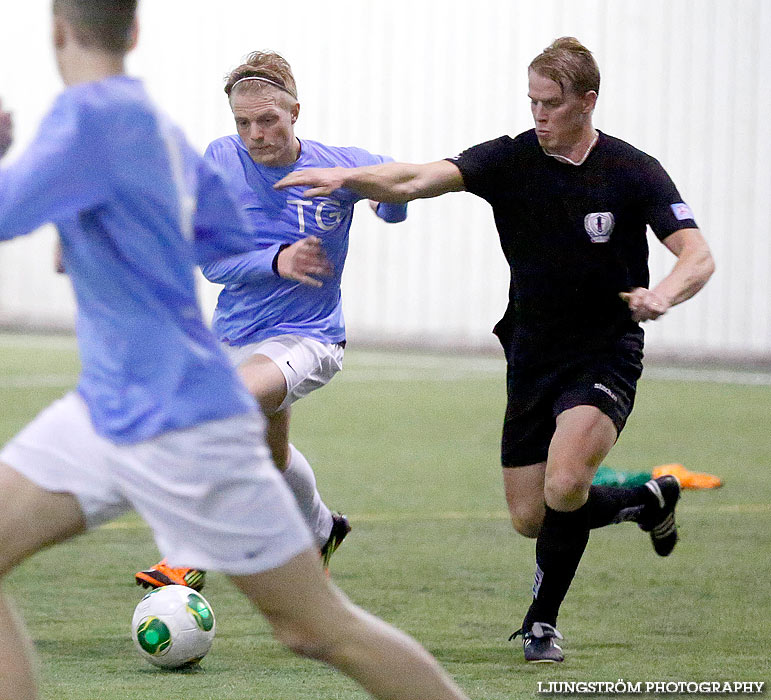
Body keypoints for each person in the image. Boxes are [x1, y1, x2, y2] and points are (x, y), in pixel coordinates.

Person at [0, 3, 473, 699]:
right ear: (133, 33)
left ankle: (208, 549)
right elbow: (214, 246)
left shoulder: (81, 123)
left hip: (184, 416)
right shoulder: (161, 132)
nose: (254, 133)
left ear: (55, 31)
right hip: (109, 407)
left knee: (317, 630)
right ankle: (303, 525)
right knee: (319, 623)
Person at [275, 37, 715, 663]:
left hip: (605, 351)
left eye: (552, 103)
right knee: (530, 516)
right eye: (531, 100)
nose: (538, 114)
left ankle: (542, 623)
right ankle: (647, 500)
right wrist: (351, 178)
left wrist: (664, 295)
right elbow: (418, 178)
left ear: (587, 102)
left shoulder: (631, 170)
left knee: (566, 483)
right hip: (531, 354)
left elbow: (697, 256)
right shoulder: (511, 161)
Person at [135, 50, 407, 591]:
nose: (255, 134)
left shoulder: (336, 163)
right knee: (272, 454)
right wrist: (277, 259)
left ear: (295, 112)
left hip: (310, 337)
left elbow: (398, 199)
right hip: (236, 335)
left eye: (268, 120)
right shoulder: (221, 159)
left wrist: (370, 190)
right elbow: (209, 262)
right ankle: (323, 528)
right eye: (243, 123)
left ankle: (190, 553)